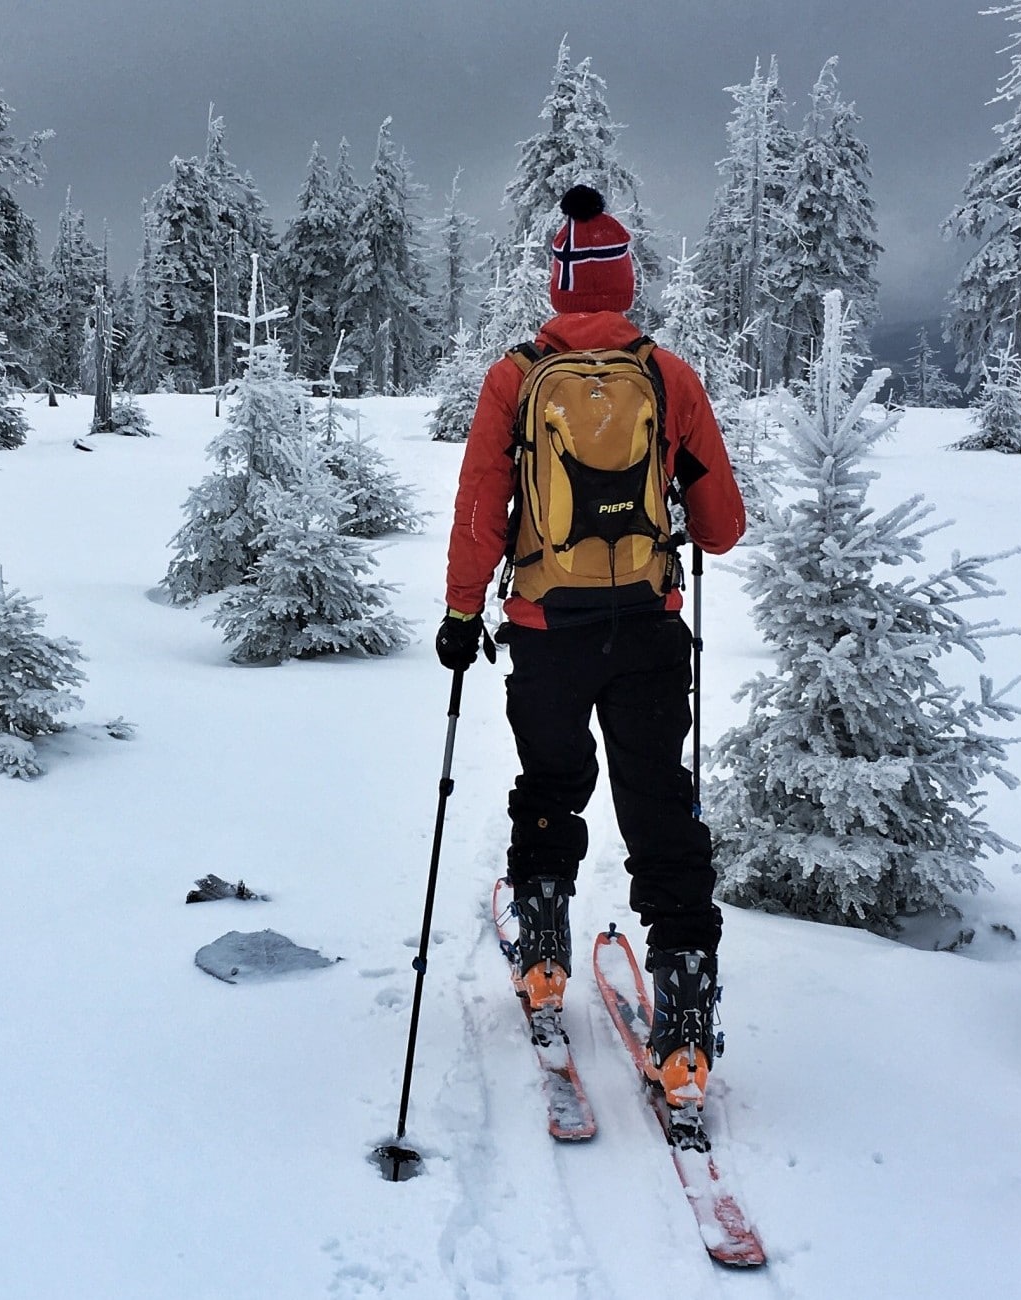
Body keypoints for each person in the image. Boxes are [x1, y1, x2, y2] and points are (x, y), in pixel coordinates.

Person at [436, 185, 745, 1110]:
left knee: (551, 785)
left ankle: (541, 962)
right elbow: (722, 528)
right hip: (649, 629)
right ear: (627, 281)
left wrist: (460, 614)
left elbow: (480, 507)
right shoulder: (668, 375)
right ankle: (684, 1039)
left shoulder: (515, 375)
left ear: (557, 284)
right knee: (660, 814)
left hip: (545, 634)